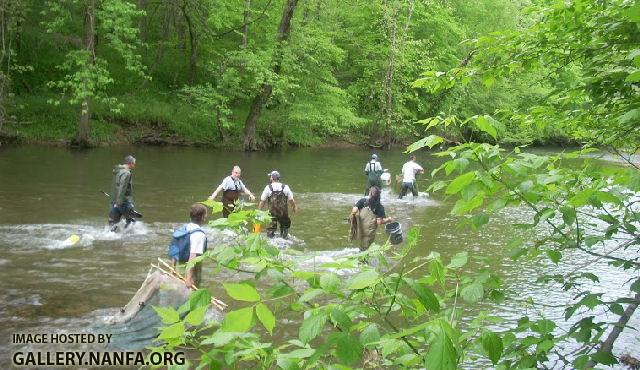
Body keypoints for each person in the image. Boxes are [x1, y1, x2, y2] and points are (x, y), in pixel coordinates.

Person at [350, 186, 393, 251]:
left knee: (360, 247)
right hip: (369, 233)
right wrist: (388, 219)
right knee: (364, 250)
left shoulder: (363, 201)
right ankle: (362, 260)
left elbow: (354, 210)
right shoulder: (380, 207)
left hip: (359, 230)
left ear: (370, 193)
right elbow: (379, 222)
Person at [258, 170, 298, 239]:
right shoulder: (285, 187)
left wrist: (258, 211)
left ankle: (270, 241)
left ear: (272, 178)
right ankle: (284, 239)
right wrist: (294, 207)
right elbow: (291, 200)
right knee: (285, 227)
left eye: (270, 176)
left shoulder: (268, 187)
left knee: (271, 229)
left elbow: (262, 201)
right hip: (283, 213)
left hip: (272, 214)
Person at [108, 155, 138, 231]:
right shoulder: (127, 173)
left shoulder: (117, 170)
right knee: (131, 222)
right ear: (130, 163)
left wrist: (116, 201)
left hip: (113, 201)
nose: (134, 166)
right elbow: (122, 187)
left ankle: (110, 239)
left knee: (113, 224)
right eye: (134, 164)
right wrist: (119, 201)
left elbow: (116, 186)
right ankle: (127, 239)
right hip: (123, 202)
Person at [182, 203, 208, 288]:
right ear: (202, 217)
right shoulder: (199, 235)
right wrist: (189, 279)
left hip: (178, 267)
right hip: (191, 273)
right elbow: (193, 256)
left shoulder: (184, 228)